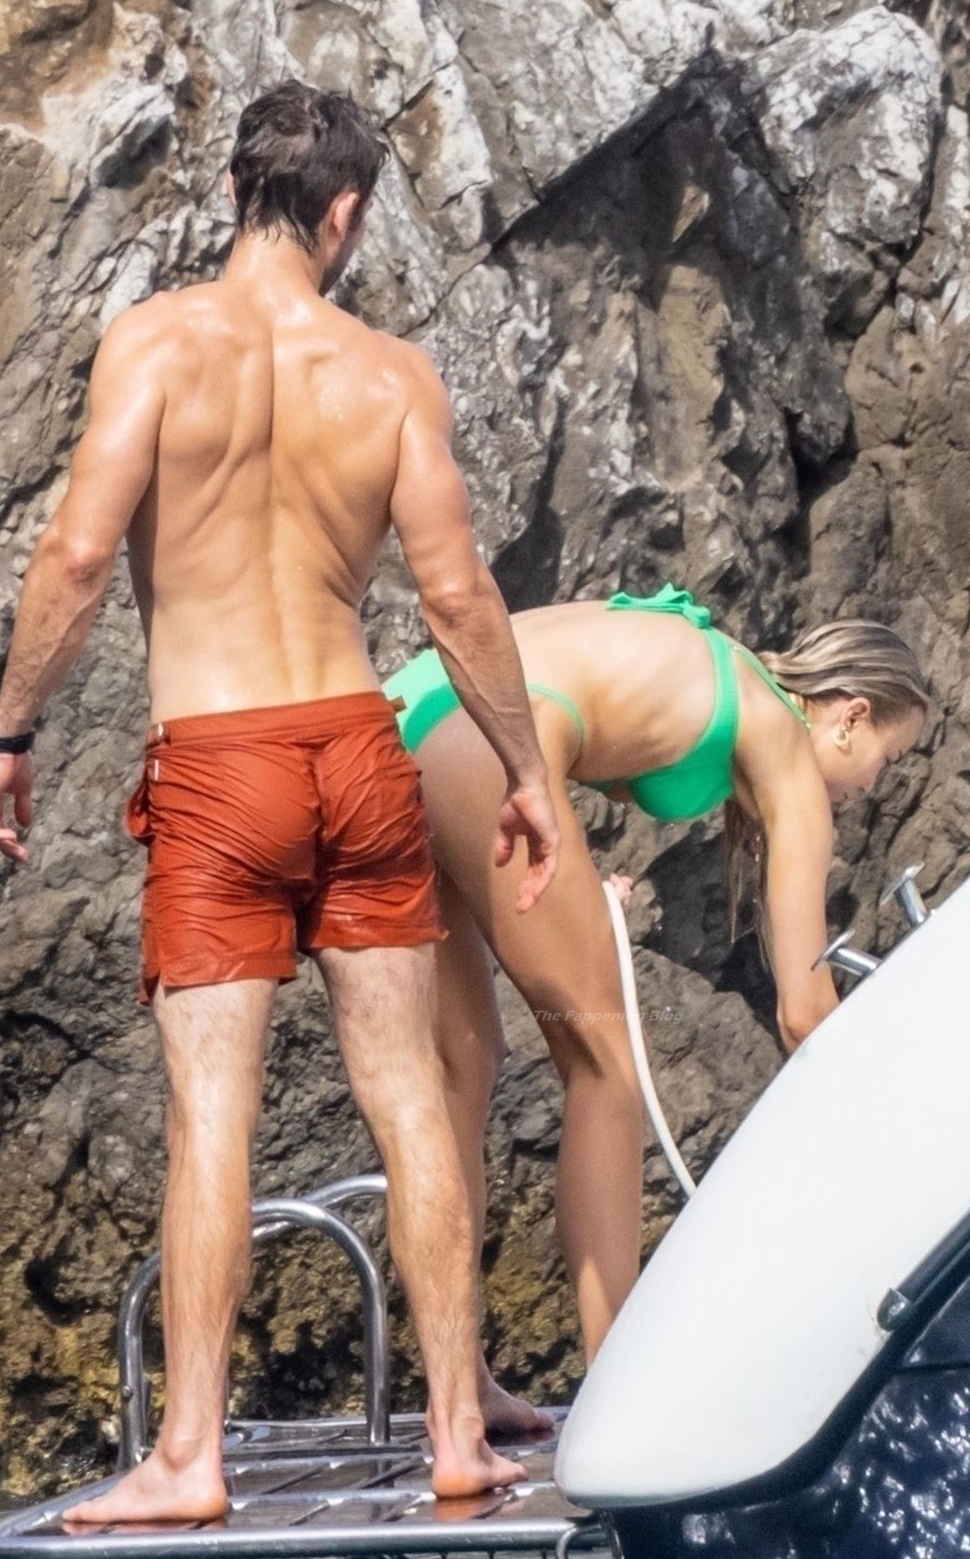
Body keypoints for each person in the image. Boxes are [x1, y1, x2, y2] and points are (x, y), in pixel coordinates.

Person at [0, 80, 563, 1518]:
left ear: (239, 191)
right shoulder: (391, 376)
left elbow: (74, 557)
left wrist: (11, 729)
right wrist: (526, 771)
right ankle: (455, 1432)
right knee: (408, 1095)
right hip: (356, 746)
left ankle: (190, 1456)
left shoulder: (156, 343)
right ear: (344, 213)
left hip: (220, 762)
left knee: (213, 1117)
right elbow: (454, 596)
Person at [383, 586, 929, 1411]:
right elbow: (804, 1013)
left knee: (461, 1065)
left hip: (398, 721)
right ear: (849, 716)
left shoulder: (721, 669)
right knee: (604, 1071)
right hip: (492, 737)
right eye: (886, 759)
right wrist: (904, 1116)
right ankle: (622, 1392)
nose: (872, 787)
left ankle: (459, 1394)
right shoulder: (782, 745)